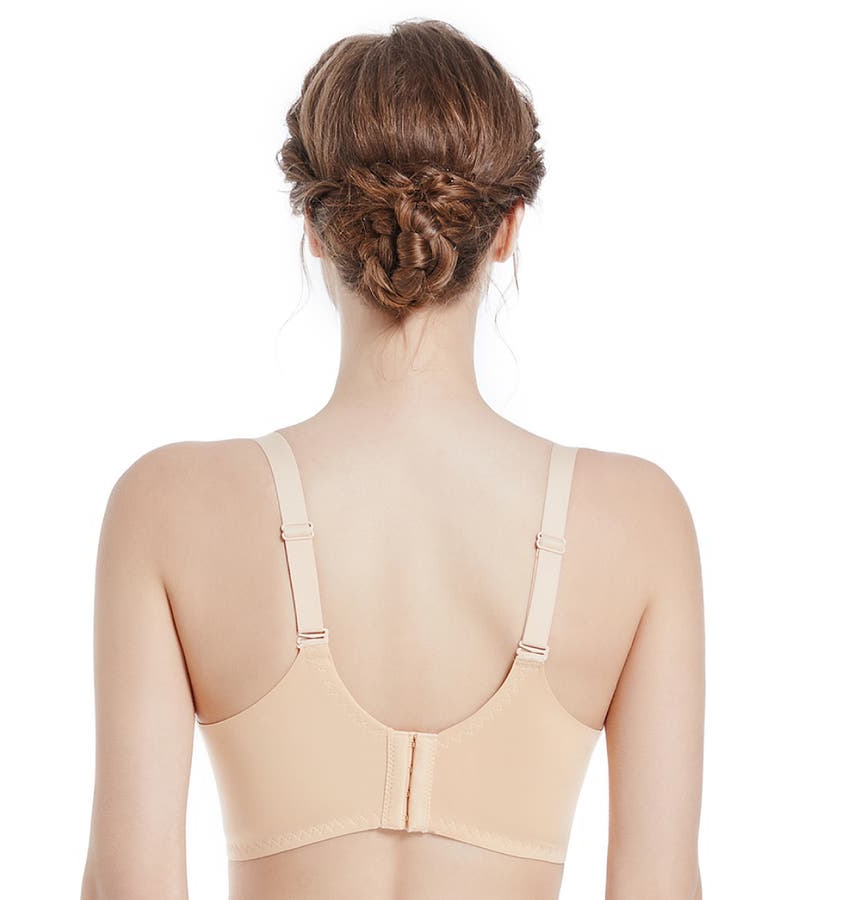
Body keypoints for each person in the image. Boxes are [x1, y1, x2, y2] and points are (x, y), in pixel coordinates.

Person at [80, 18, 704, 900]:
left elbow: (127, 885)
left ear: (314, 224)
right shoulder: (638, 521)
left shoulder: (168, 507)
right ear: (507, 228)